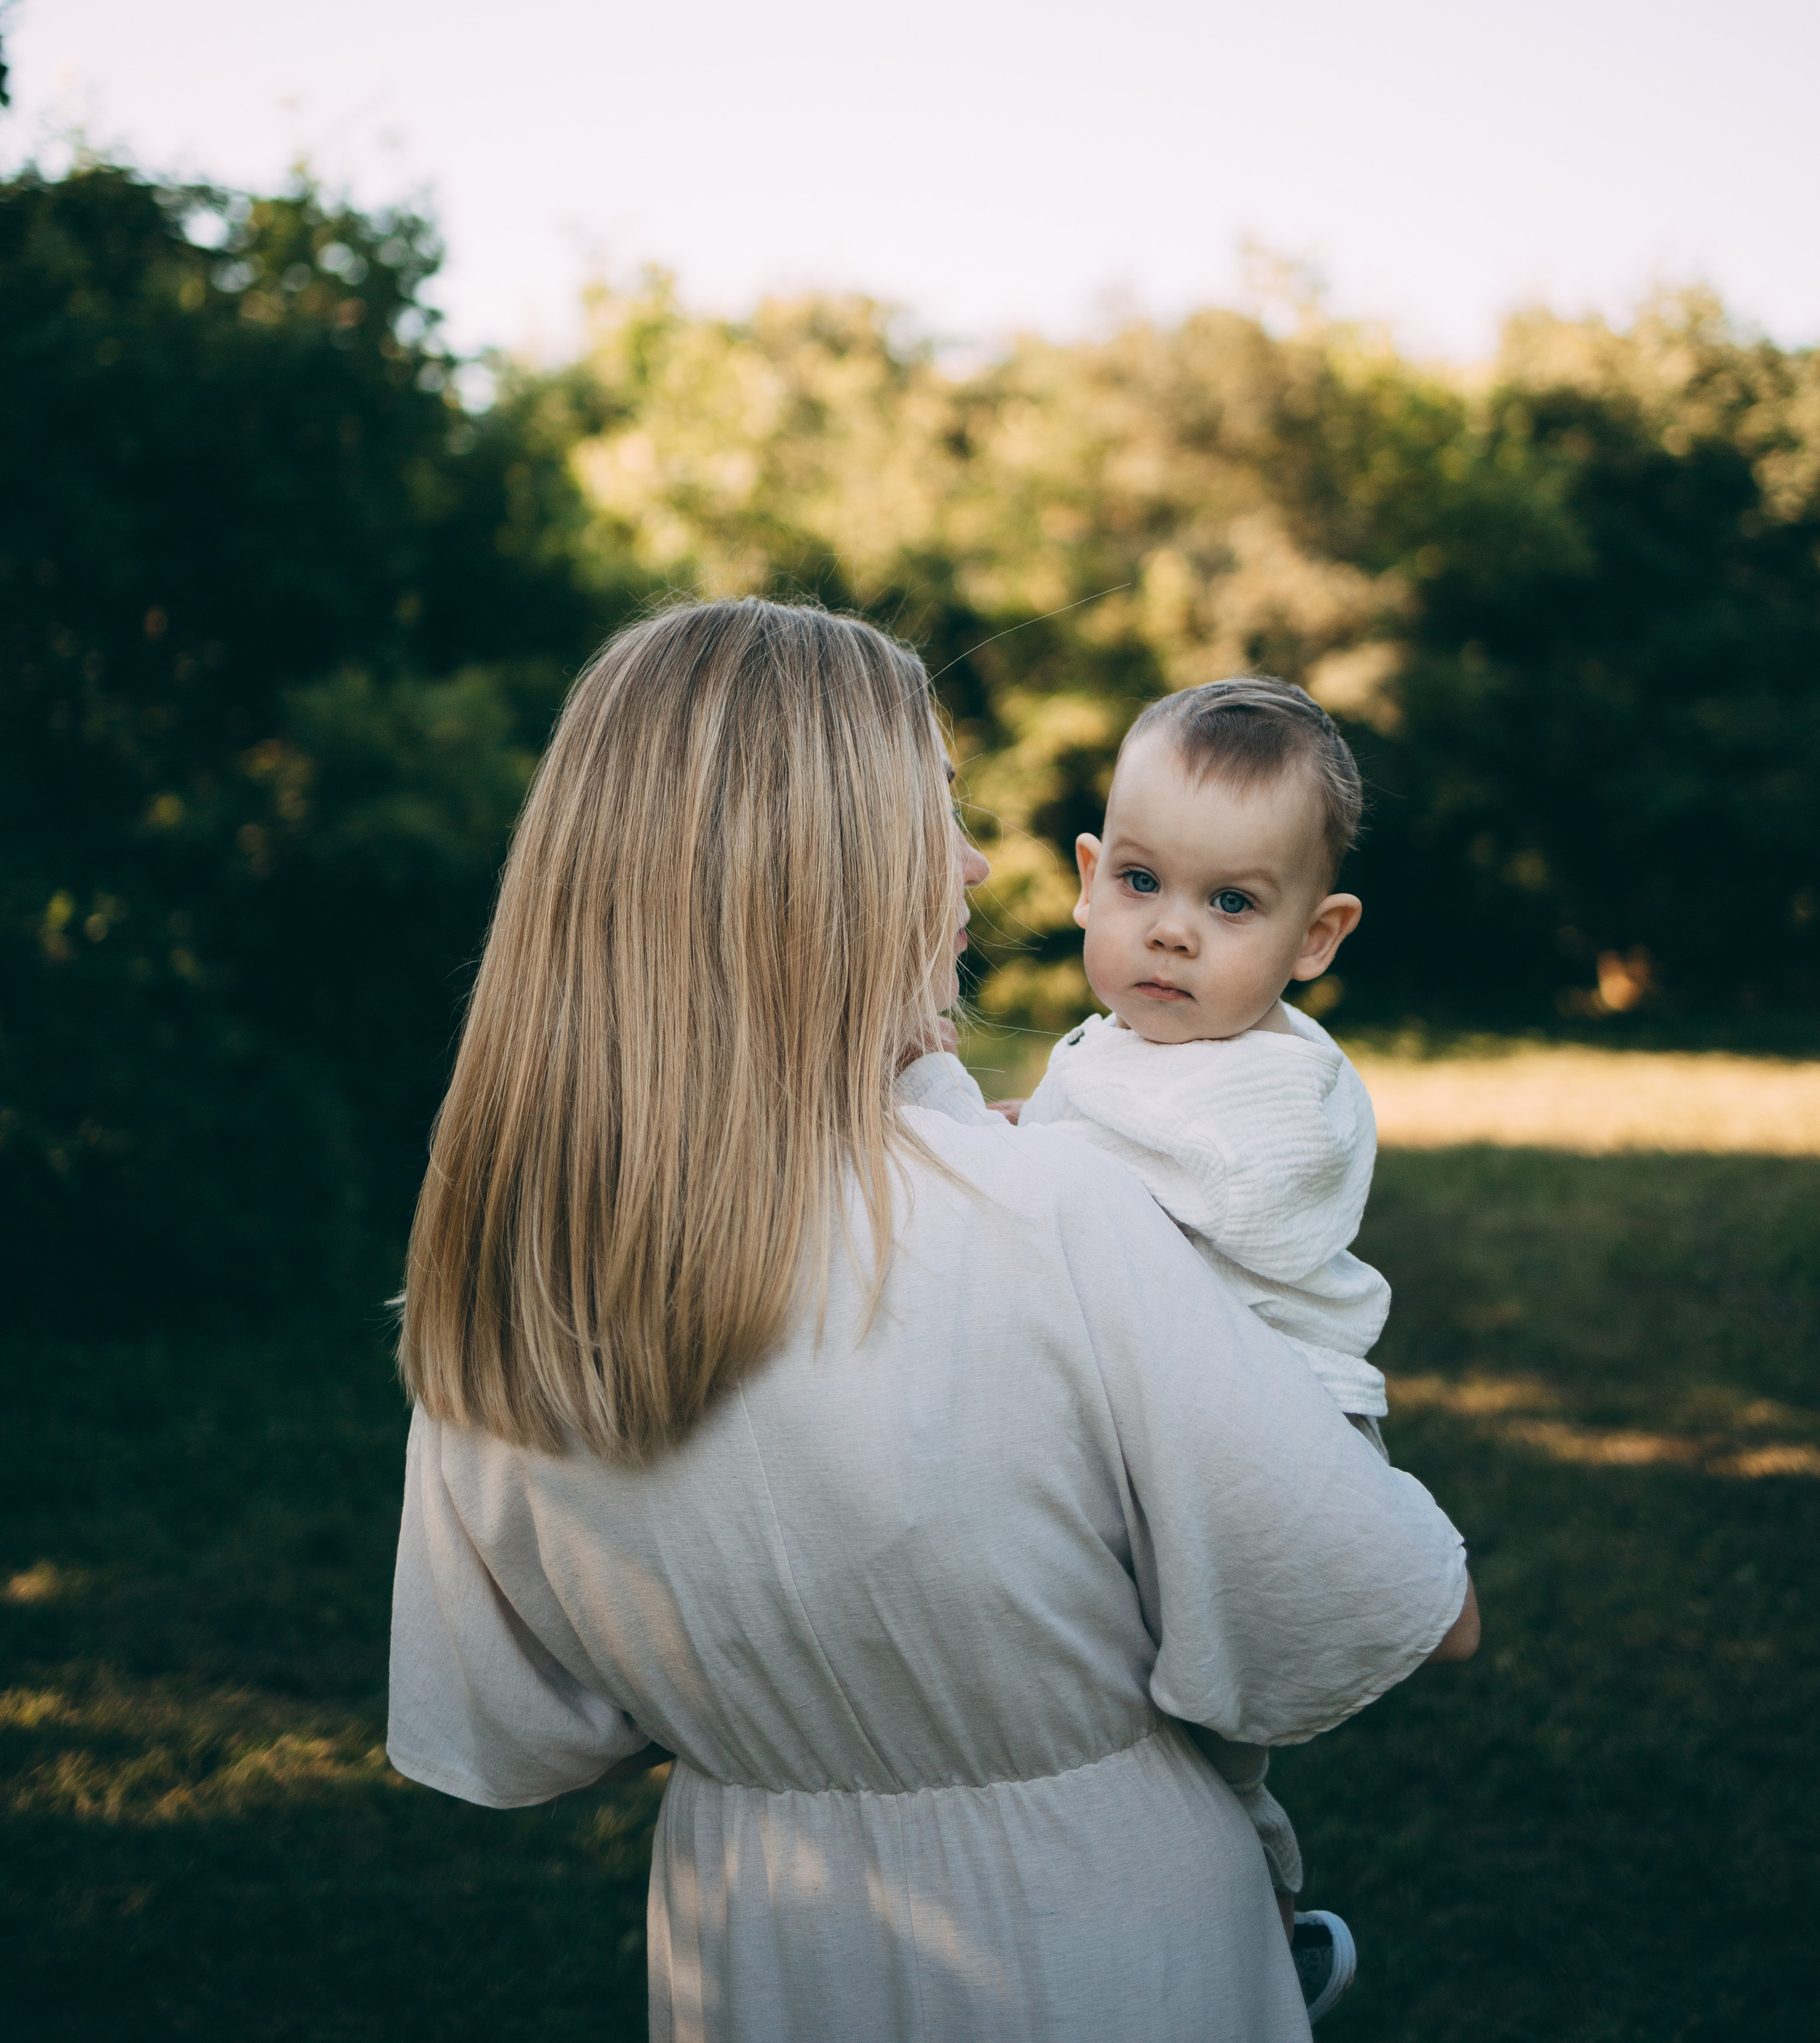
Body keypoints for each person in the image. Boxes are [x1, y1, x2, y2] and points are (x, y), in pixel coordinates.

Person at [387, 599, 1478, 2042]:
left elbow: (528, 1722)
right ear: (816, 869)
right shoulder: (1049, 1213)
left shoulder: (519, 1280)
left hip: (750, 1949)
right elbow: (1393, 1608)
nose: (971, 864)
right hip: (1089, 1948)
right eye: (932, 811)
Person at [908, 675, 1396, 2004]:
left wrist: (998, 1164)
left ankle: (1256, 1925)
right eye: (1141, 883)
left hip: (1278, 1422)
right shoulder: (1122, 1044)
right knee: (1150, 1709)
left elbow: (1123, 1211)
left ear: (1315, 934)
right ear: (1085, 878)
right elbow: (1073, 1166)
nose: (1172, 934)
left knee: (1211, 1718)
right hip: (1164, 1399)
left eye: (1232, 904)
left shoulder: (1281, 1093)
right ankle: (1252, 1909)